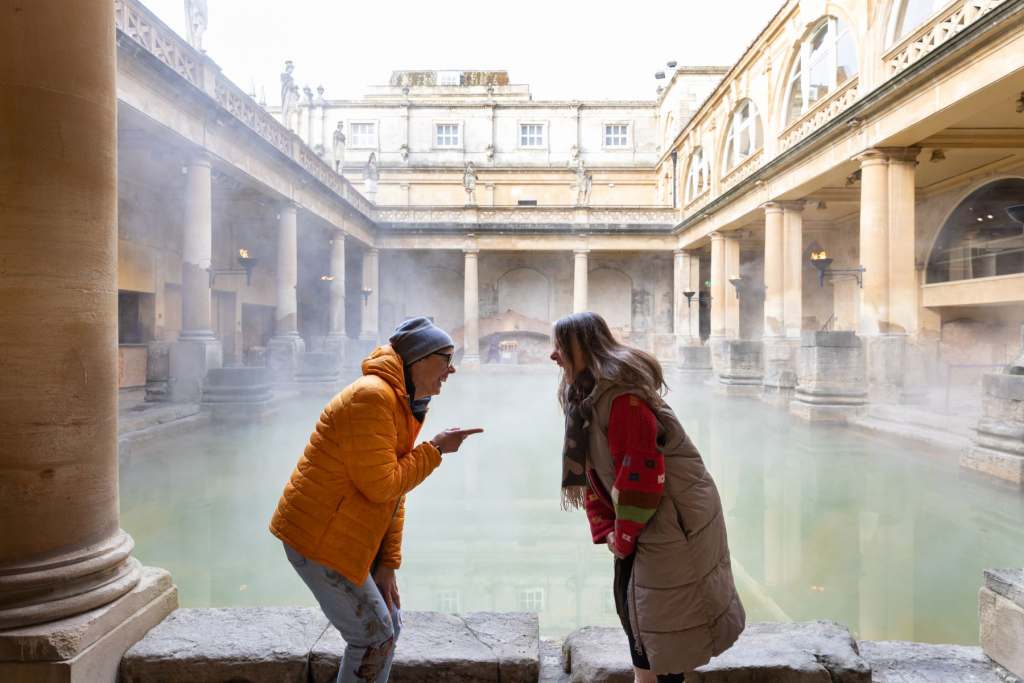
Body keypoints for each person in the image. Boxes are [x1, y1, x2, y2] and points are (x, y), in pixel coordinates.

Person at [270, 317, 483, 683]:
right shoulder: (372, 396)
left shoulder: (403, 402)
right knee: (373, 638)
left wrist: (387, 563)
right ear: (418, 360)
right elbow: (383, 486)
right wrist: (435, 449)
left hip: (346, 533)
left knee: (388, 627)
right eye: (446, 358)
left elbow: (394, 493)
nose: (451, 369)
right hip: (320, 537)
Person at [550, 312, 744, 682]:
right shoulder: (590, 395)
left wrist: (622, 536)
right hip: (651, 522)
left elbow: (640, 476)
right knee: (644, 621)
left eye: (559, 346)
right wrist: (610, 527)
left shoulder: (622, 399)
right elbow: (598, 473)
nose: (553, 355)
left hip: (670, 523)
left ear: (582, 348)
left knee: (656, 628)